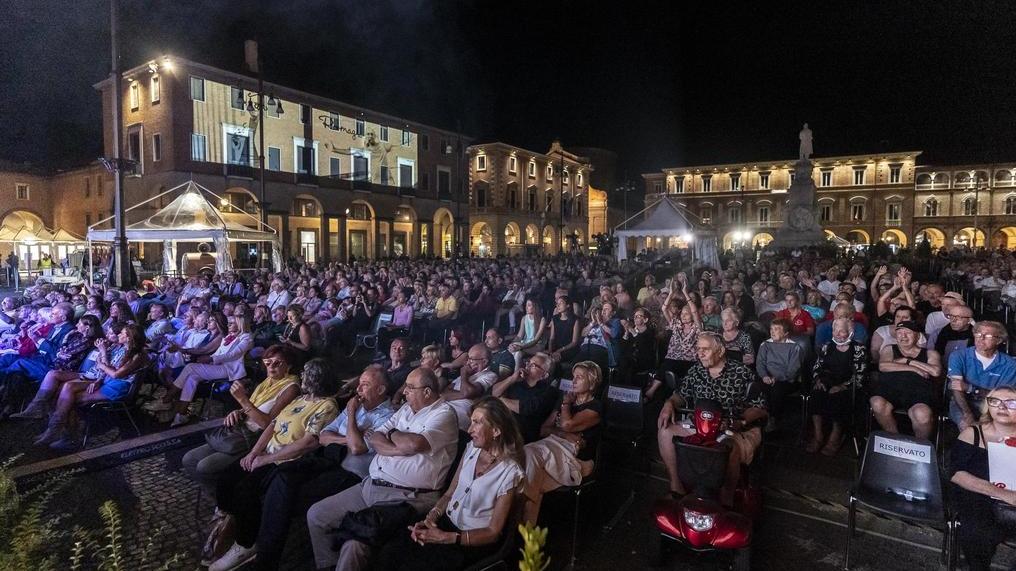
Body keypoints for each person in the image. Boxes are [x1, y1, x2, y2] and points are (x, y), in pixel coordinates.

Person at [306, 367, 458, 571]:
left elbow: (414, 445)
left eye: (410, 388)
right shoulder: (406, 409)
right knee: (317, 515)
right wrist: (398, 446)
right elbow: (376, 437)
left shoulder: (444, 414)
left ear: (427, 392)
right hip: (371, 484)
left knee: (355, 544)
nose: (404, 391)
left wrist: (393, 434)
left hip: (406, 496)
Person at [207, 358, 341, 571]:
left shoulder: (327, 406)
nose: (302, 376)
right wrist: (254, 453)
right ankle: (228, 525)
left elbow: (308, 443)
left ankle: (245, 544)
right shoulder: (301, 398)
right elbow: (272, 425)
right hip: (267, 453)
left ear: (317, 378)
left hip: (286, 460)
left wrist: (265, 459)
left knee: (245, 490)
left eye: (306, 373)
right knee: (226, 478)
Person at [376, 397, 525, 570]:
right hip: (446, 523)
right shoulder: (471, 448)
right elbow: (450, 492)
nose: (469, 429)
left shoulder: (510, 473)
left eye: (477, 423)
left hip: (470, 541)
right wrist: (431, 517)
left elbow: (493, 533)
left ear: (496, 430)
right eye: (471, 422)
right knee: (391, 551)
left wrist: (447, 537)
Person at [656, 331, 766, 503]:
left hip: (732, 427)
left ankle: (725, 501)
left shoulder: (741, 372)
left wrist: (740, 421)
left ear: (720, 351)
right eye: (698, 349)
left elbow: (760, 407)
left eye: (705, 349)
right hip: (699, 424)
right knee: (665, 431)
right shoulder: (696, 370)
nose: (700, 353)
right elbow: (680, 395)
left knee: (728, 448)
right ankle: (676, 487)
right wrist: (668, 404)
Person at [181, 344, 301, 488]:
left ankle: (224, 500)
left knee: (204, 466)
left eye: (277, 363)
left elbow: (266, 423)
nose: (271, 366)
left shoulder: (291, 388)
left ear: (289, 366)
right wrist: (237, 412)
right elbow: (251, 408)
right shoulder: (268, 382)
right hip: (238, 429)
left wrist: (242, 400)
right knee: (189, 459)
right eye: (267, 362)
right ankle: (217, 494)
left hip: (252, 438)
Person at [34, 323, 149, 449]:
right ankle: (60, 433)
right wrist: (99, 380)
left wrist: (102, 366)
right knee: (66, 394)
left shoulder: (139, 355)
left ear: (129, 338)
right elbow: (108, 370)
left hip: (118, 387)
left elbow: (116, 375)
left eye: (122, 333)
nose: (119, 335)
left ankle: (65, 435)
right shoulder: (121, 349)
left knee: (69, 400)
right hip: (107, 382)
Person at [521, 361, 603, 523]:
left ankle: (519, 531)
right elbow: (544, 429)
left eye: (579, 377)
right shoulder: (564, 401)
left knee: (528, 457)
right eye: (573, 377)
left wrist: (566, 404)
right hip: (552, 448)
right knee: (531, 477)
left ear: (592, 382)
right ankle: (526, 534)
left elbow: (567, 424)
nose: (573, 381)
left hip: (575, 459)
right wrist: (566, 435)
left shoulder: (596, 406)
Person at [949, 387, 1016, 571]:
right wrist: (1003, 494)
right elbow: (956, 474)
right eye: (995, 401)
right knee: (976, 530)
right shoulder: (972, 433)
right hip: (979, 496)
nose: (1002, 407)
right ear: (988, 405)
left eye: (1011, 403)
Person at [168, 313, 254, 427]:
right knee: (192, 378)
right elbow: (219, 352)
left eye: (231, 323)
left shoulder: (247, 338)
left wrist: (211, 358)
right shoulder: (228, 336)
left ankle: (167, 398)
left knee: (190, 367)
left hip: (229, 370)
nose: (228, 325)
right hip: (219, 366)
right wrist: (209, 360)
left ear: (240, 324)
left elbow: (233, 354)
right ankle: (181, 414)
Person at [10, 314, 103, 419]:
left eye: (79, 323)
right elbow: (61, 350)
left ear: (87, 327)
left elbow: (67, 353)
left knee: (20, 364)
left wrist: (61, 352)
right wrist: (62, 349)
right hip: (56, 364)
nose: (76, 324)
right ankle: (18, 405)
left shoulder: (87, 341)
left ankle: (32, 407)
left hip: (66, 369)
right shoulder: (77, 336)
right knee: (16, 371)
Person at [870, 321, 942, 440]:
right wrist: (915, 369)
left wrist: (908, 361)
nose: (903, 336)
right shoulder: (889, 349)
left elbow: (935, 372)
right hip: (890, 391)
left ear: (917, 336)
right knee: (877, 402)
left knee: (922, 414)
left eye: (908, 333)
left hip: (919, 394)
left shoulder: (930, 353)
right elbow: (883, 366)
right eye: (899, 333)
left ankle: (919, 448)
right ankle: (895, 440)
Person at [808, 318, 869, 455]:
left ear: (850, 332)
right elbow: (817, 367)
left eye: (842, 331)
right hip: (828, 380)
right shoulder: (827, 346)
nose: (837, 334)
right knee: (816, 394)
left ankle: (835, 437)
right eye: (835, 330)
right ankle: (818, 436)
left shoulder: (858, 349)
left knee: (838, 397)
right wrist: (818, 380)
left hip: (849, 385)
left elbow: (860, 375)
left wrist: (843, 386)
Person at [947, 321, 1016, 432]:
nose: (981, 338)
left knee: (995, 428)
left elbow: (1001, 397)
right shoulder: (959, 356)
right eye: (978, 334)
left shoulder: (1010, 364)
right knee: (969, 427)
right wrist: (967, 413)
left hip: (993, 404)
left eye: (988, 335)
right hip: (962, 401)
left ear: (999, 340)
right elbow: (957, 389)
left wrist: (970, 388)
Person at [491, 351, 559, 443]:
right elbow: (494, 393)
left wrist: (500, 400)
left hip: (521, 434)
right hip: (499, 424)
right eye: (528, 363)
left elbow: (526, 407)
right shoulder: (517, 382)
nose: (527, 366)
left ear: (544, 375)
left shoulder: (549, 391)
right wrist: (511, 379)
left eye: (533, 365)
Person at [756, 318, 803, 432]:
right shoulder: (765, 344)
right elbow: (760, 363)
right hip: (767, 378)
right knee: (757, 387)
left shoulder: (794, 347)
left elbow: (793, 370)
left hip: (787, 380)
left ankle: (773, 419)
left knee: (777, 389)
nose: (772, 331)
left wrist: (777, 378)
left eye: (776, 329)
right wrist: (765, 376)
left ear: (786, 333)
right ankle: (760, 417)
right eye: (771, 329)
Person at [442, 344, 498, 431]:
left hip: (459, 413)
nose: (468, 362)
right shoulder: (468, 373)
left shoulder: (490, 375)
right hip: (444, 405)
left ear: (484, 361)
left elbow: (468, 392)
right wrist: (463, 394)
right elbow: (444, 393)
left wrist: (464, 375)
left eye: (472, 359)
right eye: (468, 358)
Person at [575, 300, 621, 376]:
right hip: (585, 348)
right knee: (575, 365)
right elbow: (583, 334)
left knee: (591, 370)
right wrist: (592, 323)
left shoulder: (615, 321)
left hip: (600, 349)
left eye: (607, 309)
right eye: (603, 309)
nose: (603, 311)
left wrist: (601, 324)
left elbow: (614, 334)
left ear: (613, 313)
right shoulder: (594, 322)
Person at [508, 297, 547, 371]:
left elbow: (536, 340)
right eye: (526, 305)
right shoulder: (524, 318)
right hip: (525, 343)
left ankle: (516, 375)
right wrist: (512, 343)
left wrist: (521, 347)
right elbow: (519, 336)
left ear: (535, 306)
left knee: (518, 353)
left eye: (529, 305)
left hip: (537, 345)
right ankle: (511, 374)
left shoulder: (542, 320)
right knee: (511, 349)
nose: (526, 307)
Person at [547, 295, 580, 367]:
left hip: (568, 349)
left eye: (561, 303)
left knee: (553, 360)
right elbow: (551, 338)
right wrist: (550, 350)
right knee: (542, 356)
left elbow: (574, 342)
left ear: (568, 305)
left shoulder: (575, 320)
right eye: (557, 303)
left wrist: (560, 350)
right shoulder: (555, 318)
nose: (558, 305)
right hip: (556, 348)